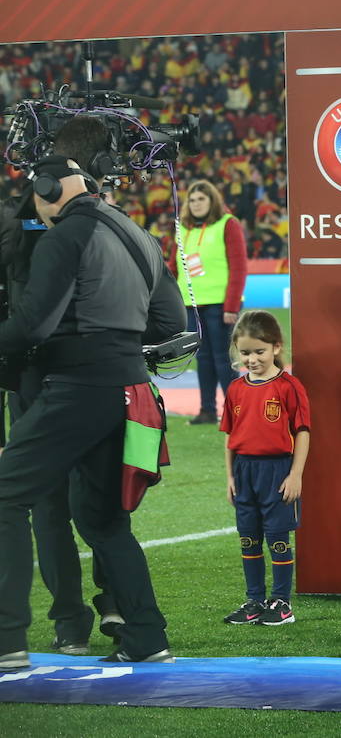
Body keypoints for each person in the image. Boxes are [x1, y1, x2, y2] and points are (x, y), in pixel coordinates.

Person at [0, 156, 184, 670]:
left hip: (77, 385)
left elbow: (33, 325)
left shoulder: (65, 237)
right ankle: (148, 638)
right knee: (104, 522)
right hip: (131, 389)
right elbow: (169, 321)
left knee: (8, 493)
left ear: (45, 189)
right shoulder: (136, 232)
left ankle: (7, 642)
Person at [221, 310, 311, 628]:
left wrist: (295, 474)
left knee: (277, 537)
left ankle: (281, 602)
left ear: (276, 346)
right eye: (245, 353)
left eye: (259, 351)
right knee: (248, 538)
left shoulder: (288, 386)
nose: (253, 359)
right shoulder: (235, 389)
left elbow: (302, 432)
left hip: (277, 471)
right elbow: (231, 438)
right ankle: (255, 601)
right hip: (244, 472)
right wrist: (230, 476)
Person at [174, 180, 248, 426]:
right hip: (191, 306)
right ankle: (207, 410)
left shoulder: (228, 224)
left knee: (223, 360)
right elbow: (175, 269)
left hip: (220, 306)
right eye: (192, 200)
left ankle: (234, 412)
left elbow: (239, 267)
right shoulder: (182, 230)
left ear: (212, 200)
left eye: (201, 199)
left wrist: (231, 307)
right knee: (202, 360)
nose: (196, 204)